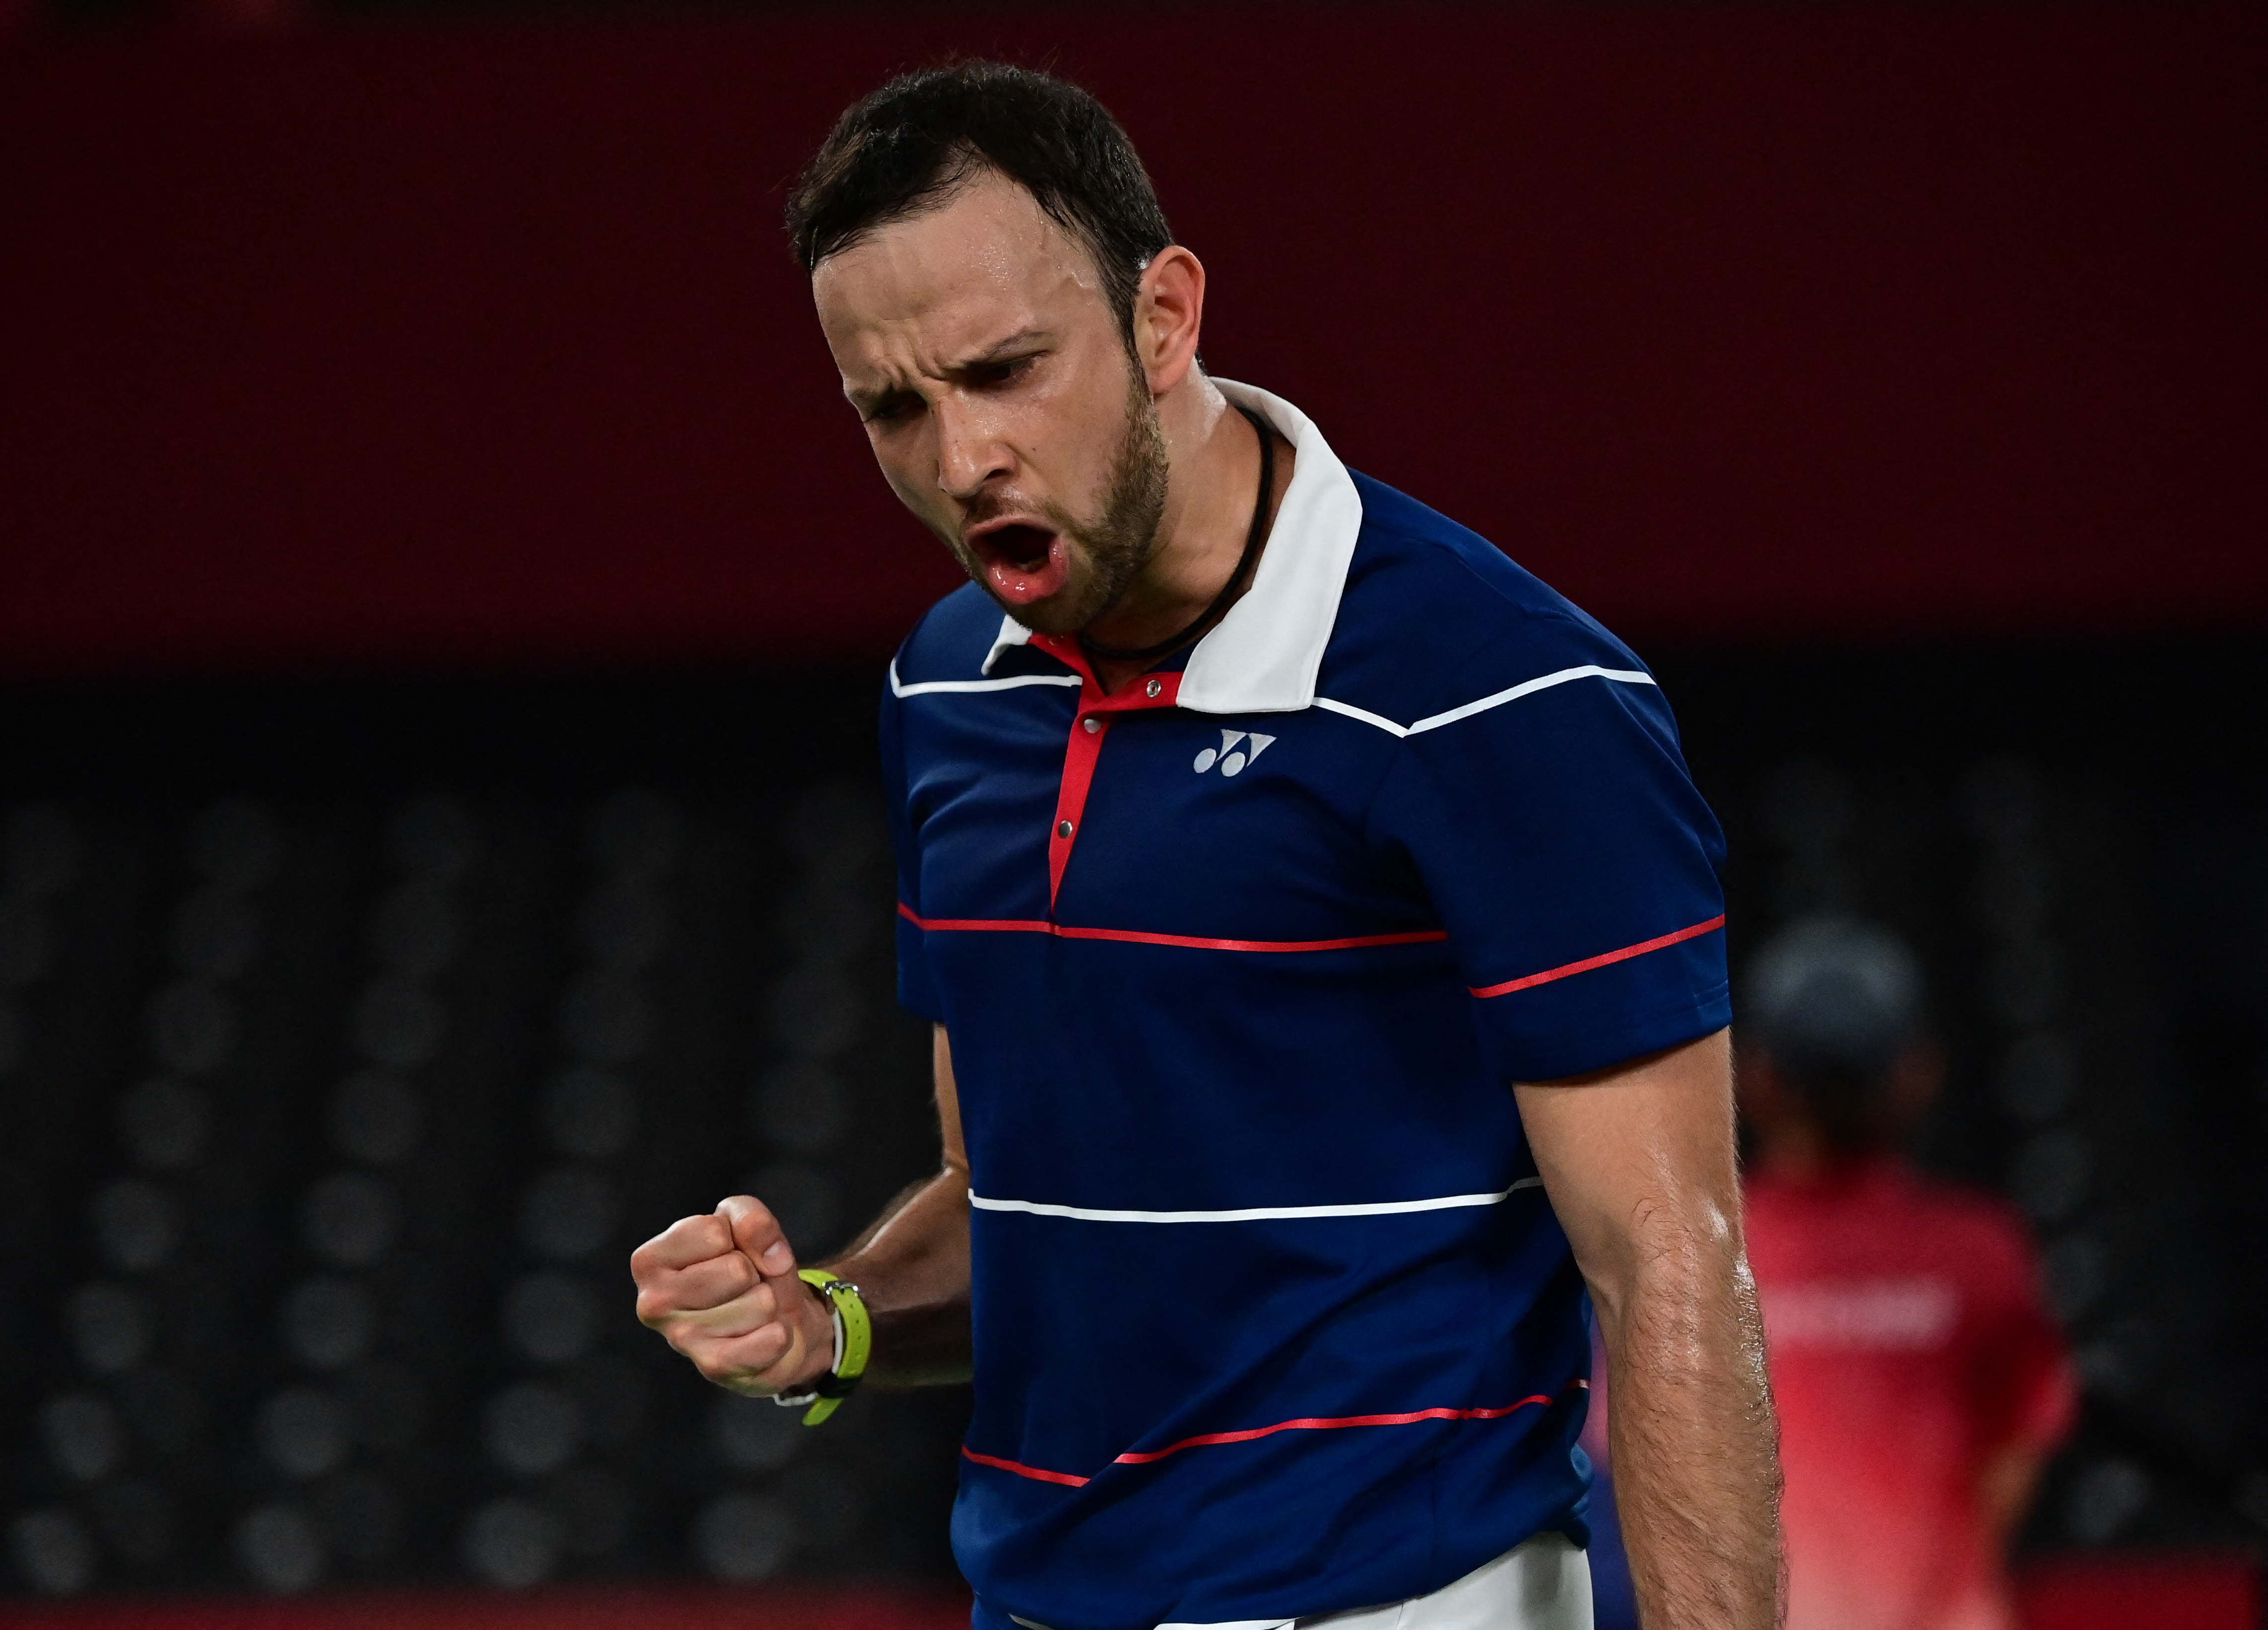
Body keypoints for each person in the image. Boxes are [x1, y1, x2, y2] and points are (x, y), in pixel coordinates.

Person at [631, 62, 1781, 1630]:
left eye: (1007, 368)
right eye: (896, 406)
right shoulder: (944, 686)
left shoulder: (1505, 690)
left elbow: (1668, 1260)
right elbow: (1015, 1201)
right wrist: (833, 1316)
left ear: (1165, 316)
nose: (963, 457)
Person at [1739, 919, 2076, 1630]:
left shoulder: (1704, 1249)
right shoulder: (1981, 1247)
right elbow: (2013, 1459)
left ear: (1758, 1073)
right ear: (1917, 1070)